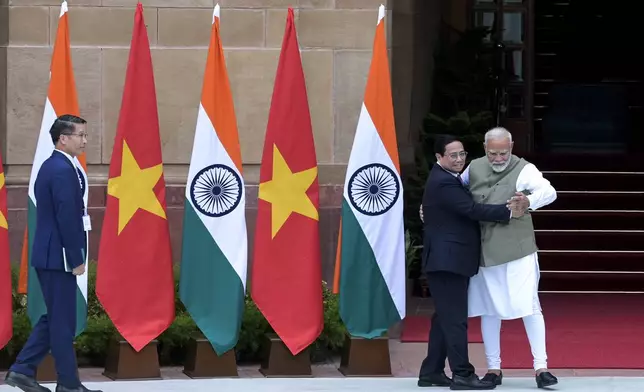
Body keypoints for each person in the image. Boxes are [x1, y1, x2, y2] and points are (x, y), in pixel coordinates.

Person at [417, 134, 529, 390]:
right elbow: (471, 210)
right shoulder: (444, 182)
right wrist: (508, 211)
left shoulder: (447, 179)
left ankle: (431, 372)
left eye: (462, 154)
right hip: (448, 263)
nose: (459, 159)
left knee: (444, 318)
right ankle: (463, 375)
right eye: (452, 155)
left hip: (449, 261)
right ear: (439, 157)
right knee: (455, 319)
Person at [4, 115, 100, 392]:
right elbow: (66, 216)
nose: (85, 140)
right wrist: (76, 257)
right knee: (62, 321)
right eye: (80, 135)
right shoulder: (59, 169)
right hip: (57, 256)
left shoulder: (62, 165)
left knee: (59, 318)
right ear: (63, 138)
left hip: (53, 255)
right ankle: (68, 383)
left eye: (85, 134)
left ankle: (22, 370)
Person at [462, 127, 558, 389]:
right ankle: (493, 369)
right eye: (493, 153)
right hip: (485, 249)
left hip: (518, 249)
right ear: (485, 149)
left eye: (503, 152)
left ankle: (541, 368)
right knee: (489, 309)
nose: (498, 158)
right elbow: (455, 194)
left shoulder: (525, 168)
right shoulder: (473, 168)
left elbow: (549, 192)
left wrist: (528, 202)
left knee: (529, 305)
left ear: (512, 147)